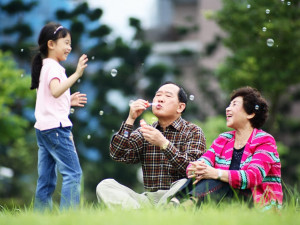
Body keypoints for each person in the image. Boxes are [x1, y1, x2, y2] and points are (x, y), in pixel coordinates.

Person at [96, 82, 206, 209]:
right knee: (105, 185)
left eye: (168, 96)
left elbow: (193, 169)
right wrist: (130, 119)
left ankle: (155, 215)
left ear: (180, 107)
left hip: (175, 195)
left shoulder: (193, 131)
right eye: (158, 95)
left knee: (183, 183)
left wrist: (163, 144)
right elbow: (118, 154)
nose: (160, 98)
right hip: (148, 199)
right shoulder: (146, 131)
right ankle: (143, 216)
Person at [171, 86, 283, 210]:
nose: (227, 109)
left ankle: (186, 205)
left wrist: (216, 173)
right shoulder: (223, 139)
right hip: (222, 196)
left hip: (255, 202)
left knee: (221, 178)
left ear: (251, 113)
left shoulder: (265, 140)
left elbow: (253, 177)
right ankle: (176, 203)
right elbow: (201, 163)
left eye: (234, 104)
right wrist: (196, 168)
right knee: (206, 173)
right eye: (229, 105)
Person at [30, 22, 88, 211]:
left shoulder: (45, 66)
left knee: (46, 179)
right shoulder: (54, 68)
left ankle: (39, 218)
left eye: (70, 43)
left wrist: (67, 101)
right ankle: (68, 217)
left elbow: (48, 97)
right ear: (51, 44)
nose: (69, 47)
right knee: (73, 173)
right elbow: (55, 91)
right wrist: (77, 74)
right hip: (56, 129)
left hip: (43, 128)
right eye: (66, 42)